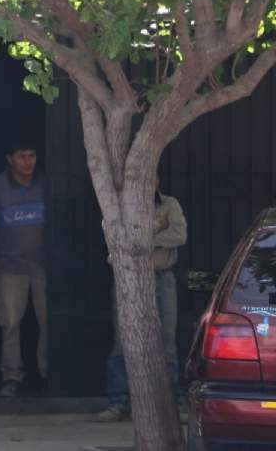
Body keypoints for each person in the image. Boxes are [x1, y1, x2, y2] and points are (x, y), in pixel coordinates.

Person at [96, 177, 187, 422]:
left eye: (152, 175)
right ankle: (119, 402)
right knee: (122, 340)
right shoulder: (116, 209)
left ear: (158, 179)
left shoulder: (170, 204)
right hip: (128, 276)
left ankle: (172, 403)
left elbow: (179, 235)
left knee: (167, 341)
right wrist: (157, 227)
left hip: (162, 277)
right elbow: (114, 239)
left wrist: (140, 239)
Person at [0, 141, 47, 397]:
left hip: (44, 266)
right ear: (10, 159)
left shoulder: (46, 183)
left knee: (48, 322)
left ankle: (47, 374)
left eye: (32, 155)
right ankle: (11, 377)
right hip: (9, 268)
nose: (28, 161)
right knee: (9, 323)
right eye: (22, 156)